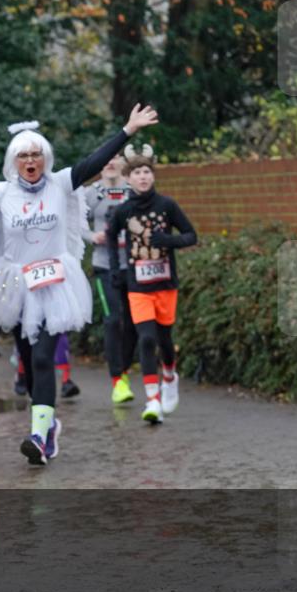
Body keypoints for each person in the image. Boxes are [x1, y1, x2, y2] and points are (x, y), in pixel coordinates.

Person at [0, 105, 159, 466]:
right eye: (23, 155)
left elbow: (94, 162)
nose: (30, 160)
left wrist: (128, 130)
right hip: (18, 284)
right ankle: (49, 424)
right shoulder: (3, 193)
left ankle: (38, 436)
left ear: (45, 157)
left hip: (55, 283)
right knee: (29, 363)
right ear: (13, 161)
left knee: (44, 357)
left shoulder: (61, 183)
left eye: (36, 154)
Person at [107, 144, 197, 423]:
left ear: (153, 175)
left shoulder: (167, 206)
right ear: (128, 178)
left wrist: (168, 240)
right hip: (138, 286)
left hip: (165, 283)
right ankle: (153, 400)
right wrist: (116, 269)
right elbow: (111, 236)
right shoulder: (124, 210)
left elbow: (191, 235)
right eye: (137, 173)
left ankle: (169, 375)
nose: (143, 177)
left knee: (165, 340)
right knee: (146, 339)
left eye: (146, 172)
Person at [84, 153, 137, 404]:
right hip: (105, 265)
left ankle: (124, 370)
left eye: (116, 158)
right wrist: (91, 236)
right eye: (106, 159)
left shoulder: (133, 190)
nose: (111, 163)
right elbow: (74, 223)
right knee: (113, 320)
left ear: (123, 163)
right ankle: (117, 380)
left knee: (134, 323)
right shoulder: (91, 193)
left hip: (134, 265)